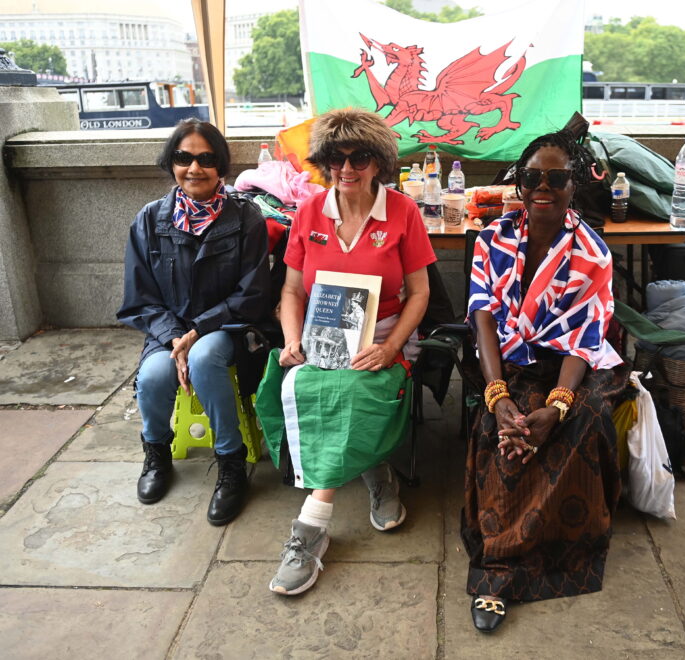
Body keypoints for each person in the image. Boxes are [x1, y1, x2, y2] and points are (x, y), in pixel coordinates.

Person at [462, 129, 628, 632]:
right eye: (533, 176)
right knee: (505, 432)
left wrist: (557, 407)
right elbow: (482, 317)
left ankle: (548, 556)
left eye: (556, 178)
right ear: (519, 182)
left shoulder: (592, 253)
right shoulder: (493, 240)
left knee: (581, 421)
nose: (543, 186)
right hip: (511, 360)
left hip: (576, 363)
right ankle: (501, 565)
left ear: (574, 184)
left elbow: (583, 339)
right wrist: (497, 397)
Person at [268, 107, 435, 596]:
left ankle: (311, 527)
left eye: (359, 156)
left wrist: (392, 348)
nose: (347, 169)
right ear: (322, 162)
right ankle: (374, 468)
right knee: (307, 384)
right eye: (335, 158)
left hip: (385, 336)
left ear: (378, 161)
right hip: (321, 336)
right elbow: (292, 292)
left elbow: (420, 294)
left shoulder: (403, 212)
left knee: (357, 390)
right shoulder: (308, 213)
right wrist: (291, 339)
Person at [117, 118, 271, 526]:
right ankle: (155, 454)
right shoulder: (150, 220)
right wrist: (173, 339)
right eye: (184, 157)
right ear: (172, 162)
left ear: (220, 165)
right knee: (151, 378)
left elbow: (253, 293)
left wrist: (198, 331)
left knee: (204, 359)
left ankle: (231, 464)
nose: (194, 168)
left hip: (228, 328)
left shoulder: (246, 218)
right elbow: (141, 299)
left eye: (206, 159)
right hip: (167, 332)